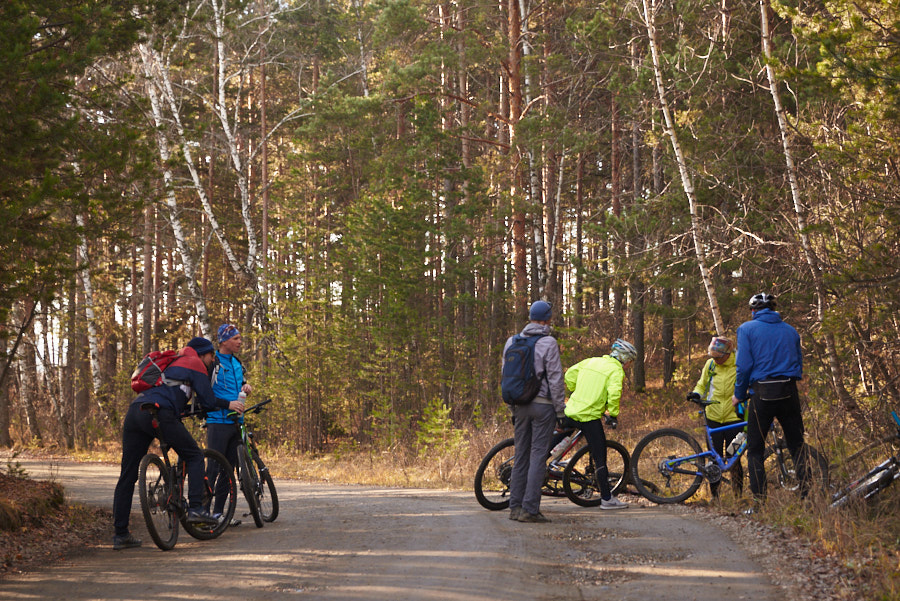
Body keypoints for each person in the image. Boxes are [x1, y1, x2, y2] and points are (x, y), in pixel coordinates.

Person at [111, 337, 245, 550]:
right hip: (160, 412)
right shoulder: (194, 363)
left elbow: (180, 396)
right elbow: (208, 401)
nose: (212, 361)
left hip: (137, 411)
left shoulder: (174, 362)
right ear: (202, 354)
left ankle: (120, 535)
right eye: (211, 356)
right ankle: (195, 510)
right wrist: (227, 403)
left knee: (127, 475)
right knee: (194, 455)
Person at [731, 293, 807, 505]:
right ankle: (807, 496)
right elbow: (798, 363)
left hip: (762, 395)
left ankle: (759, 502)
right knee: (797, 445)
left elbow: (744, 366)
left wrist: (738, 394)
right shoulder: (791, 330)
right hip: (788, 391)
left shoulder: (746, 329)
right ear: (774, 310)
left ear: (753, 311)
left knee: (755, 449)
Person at [503, 300, 566, 523]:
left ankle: (515, 507)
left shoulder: (512, 340)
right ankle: (530, 509)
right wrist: (560, 409)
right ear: (548, 319)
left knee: (521, 456)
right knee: (538, 456)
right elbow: (556, 378)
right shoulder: (548, 342)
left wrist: (512, 407)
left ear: (530, 317)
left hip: (519, 405)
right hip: (543, 406)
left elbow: (506, 376)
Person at [563, 339, 637, 510]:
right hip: (589, 417)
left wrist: (577, 390)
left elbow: (569, 375)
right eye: (630, 362)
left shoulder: (591, 361)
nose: (629, 366)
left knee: (550, 446)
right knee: (599, 456)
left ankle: (537, 471)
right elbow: (614, 393)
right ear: (625, 359)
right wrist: (613, 414)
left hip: (571, 410)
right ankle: (606, 498)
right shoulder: (616, 371)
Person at [206, 324, 252, 525]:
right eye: (235, 339)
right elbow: (206, 394)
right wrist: (227, 404)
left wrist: (245, 386)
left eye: (240, 338)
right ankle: (202, 512)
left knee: (229, 470)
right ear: (224, 341)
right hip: (217, 421)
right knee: (213, 468)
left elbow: (238, 383)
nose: (239, 342)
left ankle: (218, 513)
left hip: (236, 422)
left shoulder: (236, 363)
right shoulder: (212, 363)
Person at [688, 336, 742, 498]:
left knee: (734, 458)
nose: (715, 360)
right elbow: (702, 383)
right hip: (713, 417)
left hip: (734, 419)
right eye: (713, 356)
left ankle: (738, 496)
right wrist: (696, 394)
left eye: (718, 357)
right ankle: (715, 496)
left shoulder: (739, 364)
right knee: (714, 458)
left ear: (728, 354)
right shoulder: (710, 364)